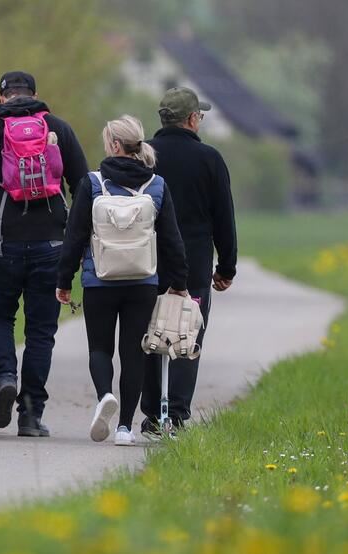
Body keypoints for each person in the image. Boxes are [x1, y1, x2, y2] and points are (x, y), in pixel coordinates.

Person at [0, 71, 89, 437]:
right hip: (52, 246)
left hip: (3, 244)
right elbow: (83, 186)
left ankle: (5, 377)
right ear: (35, 94)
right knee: (41, 331)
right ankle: (30, 415)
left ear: (2, 96)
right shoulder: (58, 128)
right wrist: (81, 238)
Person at [56, 115, 188, 446]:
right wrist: (180, 282)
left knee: (100, 348)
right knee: (133, 354)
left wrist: (64, 280)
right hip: (143, 282)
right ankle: (125, 428)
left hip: (99, 281)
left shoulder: (92, 183)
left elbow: (74, 236)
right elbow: (172, 240)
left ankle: (105, 395)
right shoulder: (157, 185)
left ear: (115, 145)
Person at [141, 86, 238, 433]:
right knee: (187, 334)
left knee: (149, 333)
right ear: (193, 119)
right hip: (194, 262)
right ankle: (177, 414)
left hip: (145, 260)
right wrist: (226, 268)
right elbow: (223, 217)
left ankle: (153, 414)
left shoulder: (144, 155)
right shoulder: (209, 159)